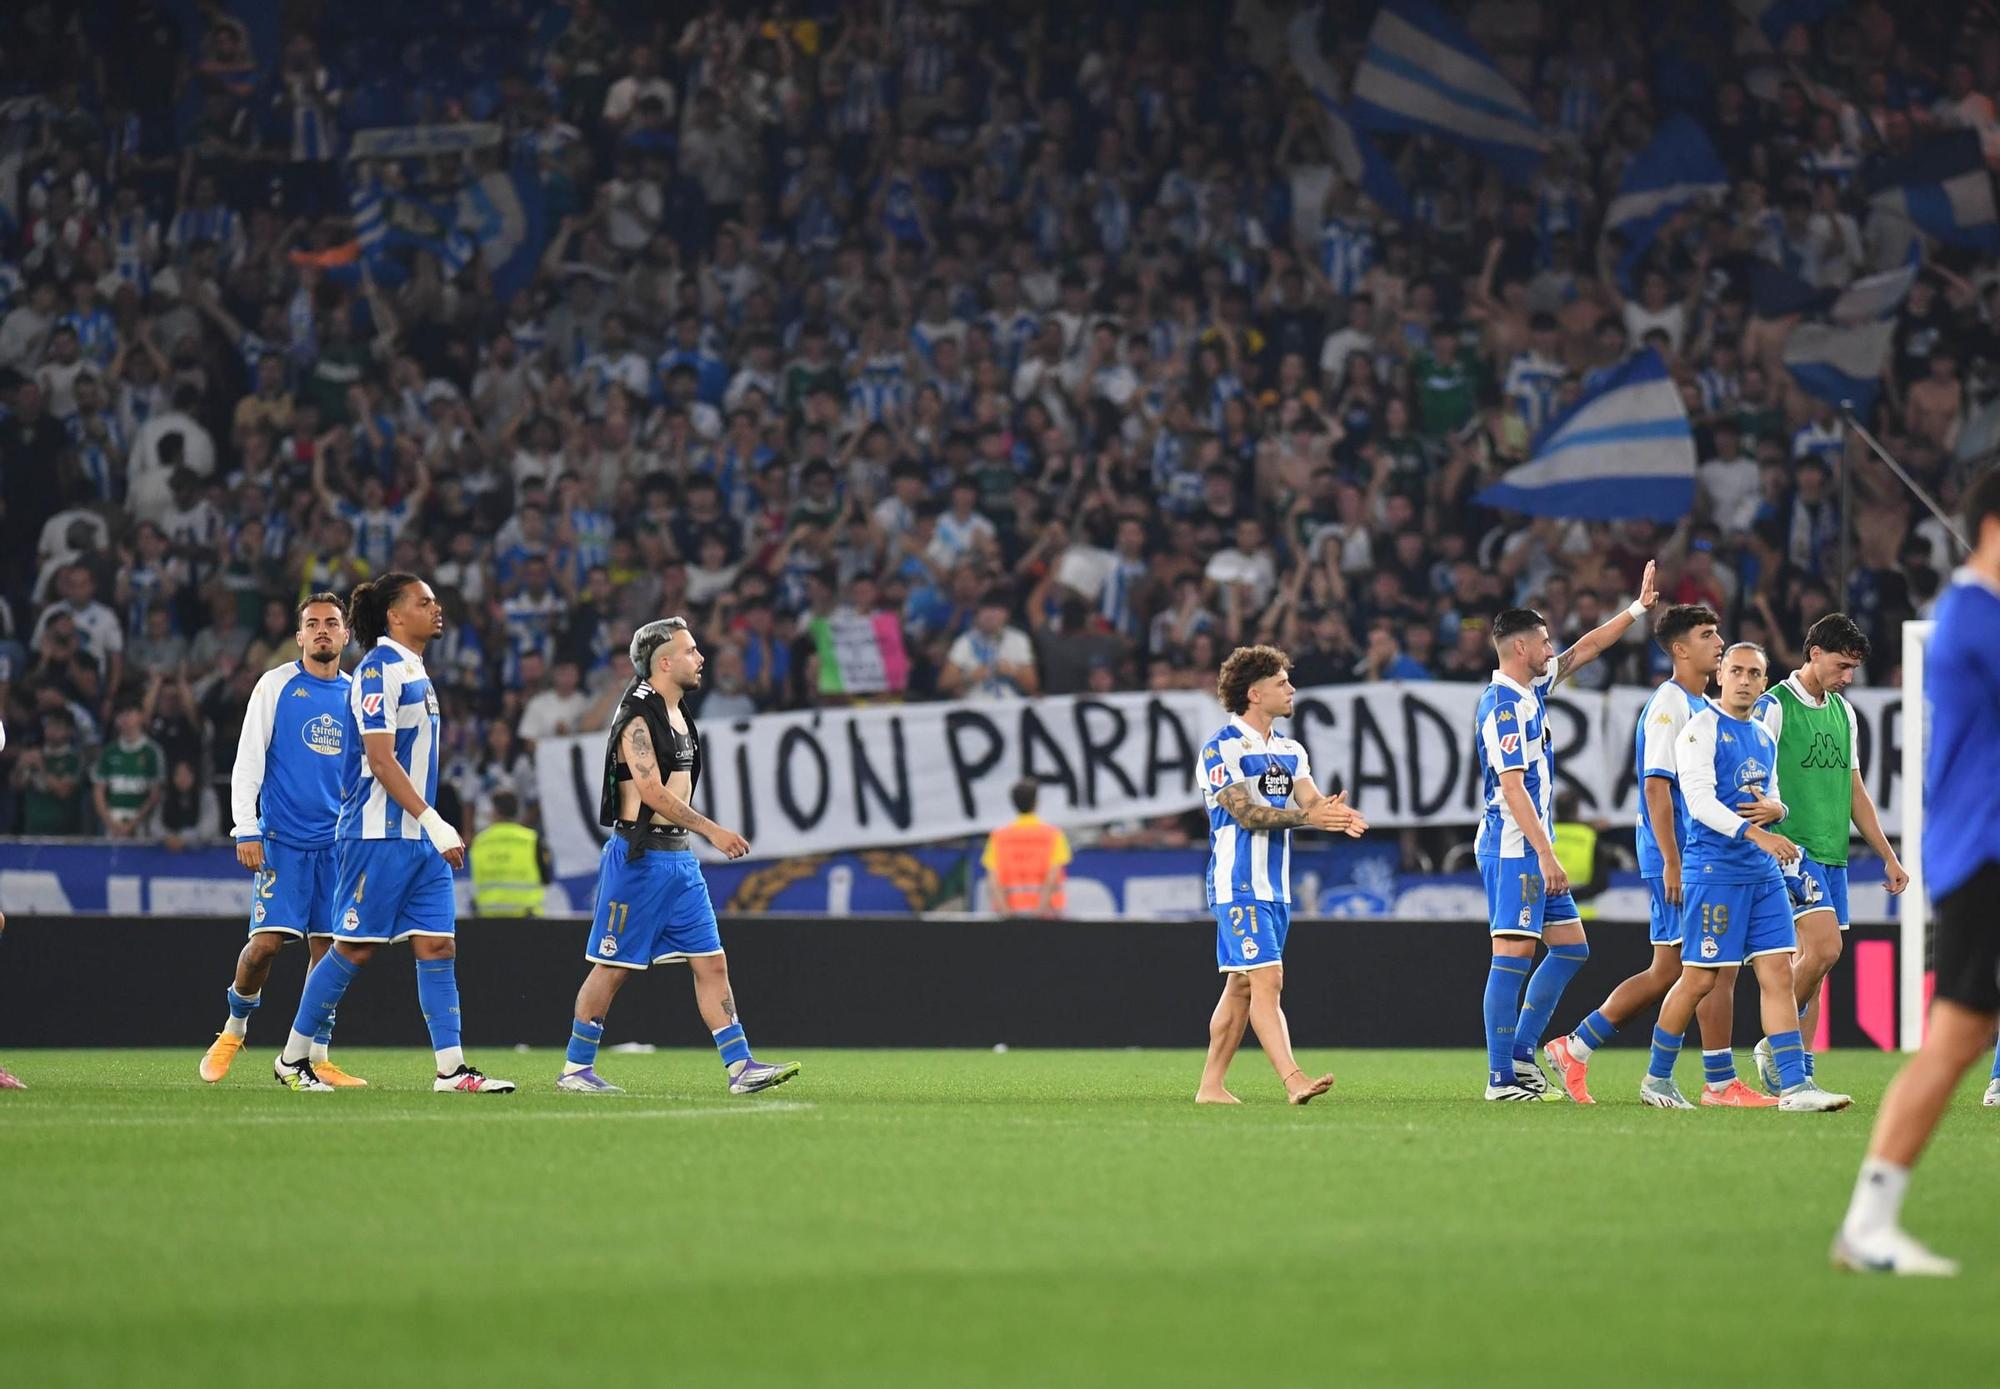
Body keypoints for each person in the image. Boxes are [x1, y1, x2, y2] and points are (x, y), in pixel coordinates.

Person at [1834, 471, 2000, 1275]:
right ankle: (1868, 1220)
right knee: (1959, 1033)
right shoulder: (1973, 617)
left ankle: (1870, 1219)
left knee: (1961, 1034)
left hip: (1982, 850)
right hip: (1986, 854)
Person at [272, 573, 514, 1093]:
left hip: (418, 840)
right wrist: (436, 820)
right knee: (354, 948)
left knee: (437, 947)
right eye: (424, 601)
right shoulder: (377, 671)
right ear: (395, 616)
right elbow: (380, 761)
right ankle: (292, 1059)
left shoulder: (413, 669)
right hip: (375, 835)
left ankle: (451, 1070)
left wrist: (428, 828)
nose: (437, 607)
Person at [555, 617, 798, 1096]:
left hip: (678, 862)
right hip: (640, 860)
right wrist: (713, 831)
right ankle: (576, 1069)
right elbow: (649, 791)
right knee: (614, 968)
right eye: (690, 651)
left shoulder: (677, 711)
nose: (700, 658)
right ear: (664, 662)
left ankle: (740, 1066)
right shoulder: (638, 718)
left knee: (711, 962)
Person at [1544, 605, 1765, 1106]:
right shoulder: (1670, 706)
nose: (1719, 642)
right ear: (1680, 649)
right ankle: (1714, 1081)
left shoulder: (1702, 703)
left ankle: (1575, 1048)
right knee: (1709, 968)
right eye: (1708, 635)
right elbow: (1656, 788)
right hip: (1683, 856)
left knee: (1674, 970)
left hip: (1698, 854)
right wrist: (1672, 860)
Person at [1639, 642, 1850, 1113]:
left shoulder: (1763, 735)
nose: (1745, 680)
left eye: (1755, 673)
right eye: (1736, 670)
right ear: (1720, 676)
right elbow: (1698, 802)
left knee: (1777, 973)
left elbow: (1772, 795)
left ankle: (1795, 1087)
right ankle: (1657, 1077)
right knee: (1698, 978)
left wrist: (1780, 810)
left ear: (1763, 679)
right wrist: (1758, 835)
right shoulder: (1699, 730)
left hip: (1761, 874)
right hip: (1714, 872)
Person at [1476, 562, 1659, 1101]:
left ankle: (1521, 1055)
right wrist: (1546, 854)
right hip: (1515, 849)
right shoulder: (1504, 708)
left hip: (1532, 848)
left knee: (1572, 949)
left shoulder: (1531, 689)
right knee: (1510, 956)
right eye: (1544, 641)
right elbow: (1513, 788)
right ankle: (1499, 1079)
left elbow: (1584, 650)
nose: (1552, 648)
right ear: (1519, 648)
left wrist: (1636, 610)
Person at [199, 594, 367, 1086]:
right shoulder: (275, 685)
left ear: (345, 635)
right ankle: (234, 1029)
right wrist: (246, 827)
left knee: (330, 952)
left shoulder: (357, 693)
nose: (321, 631)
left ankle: (317, 1054)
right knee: (265, 946)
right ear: (298, 637)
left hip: (336, 847)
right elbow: (248, 760)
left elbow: (364, 773)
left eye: (331, 623)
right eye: (312, 623)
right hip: (283, 840)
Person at [1193, 643, 1368, 1106]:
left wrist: (1334, 813)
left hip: (1276, 886)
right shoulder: (1221, 748)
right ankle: (1293, 1080)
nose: (1291, 689)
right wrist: (1308, 818)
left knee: (1242, 986)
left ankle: (1210, 1087)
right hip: (1238, 882)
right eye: (1281, 683)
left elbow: (1310, 802)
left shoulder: (1290, 750)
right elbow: (1246, 814)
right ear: (1254, 693)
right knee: (1268, 980)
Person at [1747, 613, 1908, 1099]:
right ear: (1813, 653)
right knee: (1823, 950)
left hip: (1833, 851)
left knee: (1815, 969)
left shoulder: (1843, 712)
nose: (1848, 678)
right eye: (1841, 666)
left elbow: (1853, 789)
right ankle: (1775, 1044)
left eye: (1853, 669)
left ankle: (1800, 1071)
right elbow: (1749, 775)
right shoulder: (1773, 707)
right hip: (1791, 848)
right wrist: (1763, 833)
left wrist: (1887, 855)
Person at [981, 779, 1072, 915]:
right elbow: (1052, 878)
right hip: (1047, 914)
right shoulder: (1053, 835)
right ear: (1036, 803)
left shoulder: (998, 837)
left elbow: (993, 881)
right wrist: (1039, 911)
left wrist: (1006, 912)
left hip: (1011, 915)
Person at [469, 789, 551, 916]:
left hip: (488, 918)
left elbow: (473, 878)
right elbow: (546, 878)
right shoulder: (532, 840)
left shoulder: (479, 842)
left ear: (494, 811)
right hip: (527, 919)